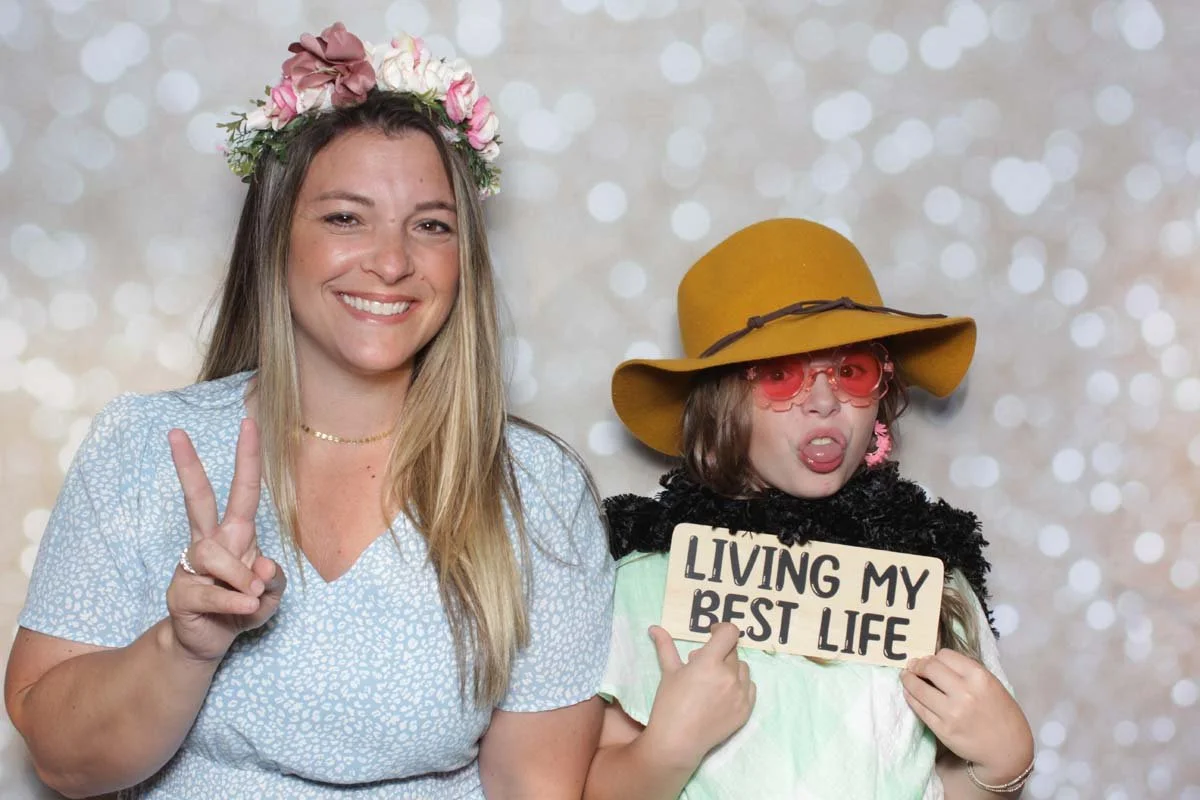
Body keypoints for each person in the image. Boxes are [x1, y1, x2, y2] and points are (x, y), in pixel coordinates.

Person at [5, 22, 613, 799]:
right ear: (275, 237)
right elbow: (60, 761)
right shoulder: (146, 446)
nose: (392, 262)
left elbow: (535, 786)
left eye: (431, 225)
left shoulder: (537, 490)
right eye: (344, 218)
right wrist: (187, 646)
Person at [584, 218, 1035, 799]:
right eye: (779, 376)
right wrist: (666, 750)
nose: (824, 401)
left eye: (851, 372)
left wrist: (1003, 766)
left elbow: (944, 786)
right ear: (722, 406)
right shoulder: (649, 585)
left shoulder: (928, 586)